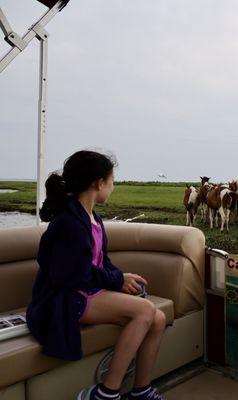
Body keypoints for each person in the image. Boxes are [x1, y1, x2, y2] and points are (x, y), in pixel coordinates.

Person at [26, 150, 167, 400]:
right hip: (64, 299)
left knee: (157, 318)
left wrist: (121, 277)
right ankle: (105, 393)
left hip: (86, 291)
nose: (113, 187)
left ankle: (141, 391)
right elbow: (72, 275)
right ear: (98, 183)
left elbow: (101, 261)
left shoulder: (92, 219)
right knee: (145, 311)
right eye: (112, 181)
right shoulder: (68, 223)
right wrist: (116, 280)